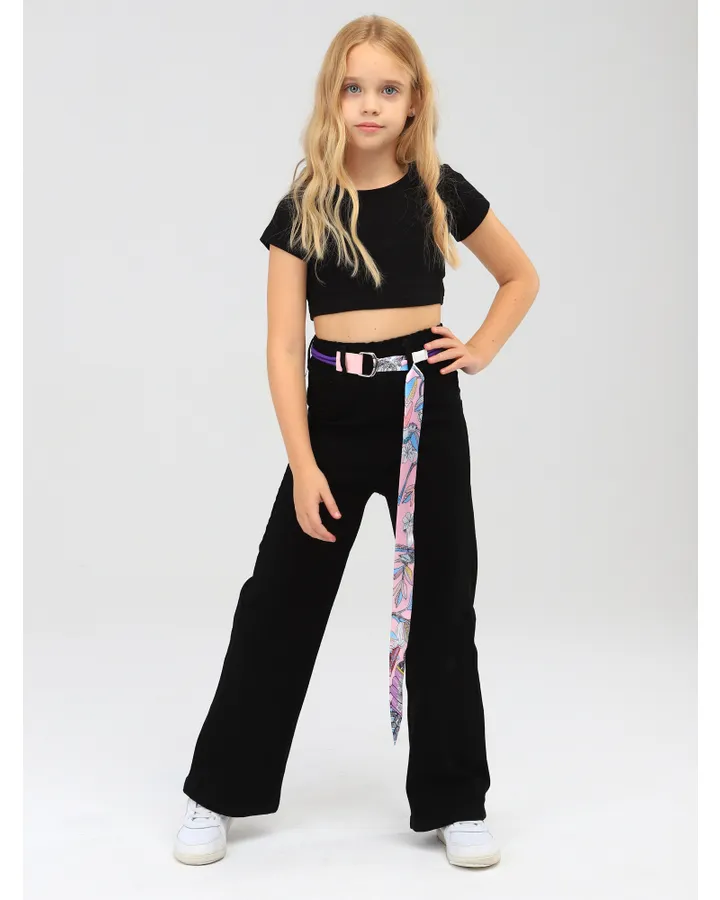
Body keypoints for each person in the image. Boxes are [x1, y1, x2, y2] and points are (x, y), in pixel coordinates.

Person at [173, 14, 539, 869]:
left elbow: (521, 276)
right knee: (278, 605)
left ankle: (457, 800)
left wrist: (480, 348)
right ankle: (217, 789)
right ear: (331, 99)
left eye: (388, 88)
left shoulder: (439, 191)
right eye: (353, 87)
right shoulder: (304, 207)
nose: (369, 103)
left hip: (424, 409)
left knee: (443, 608)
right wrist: (303, 463)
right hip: (333, 418)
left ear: (413, 103)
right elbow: (280, 346)